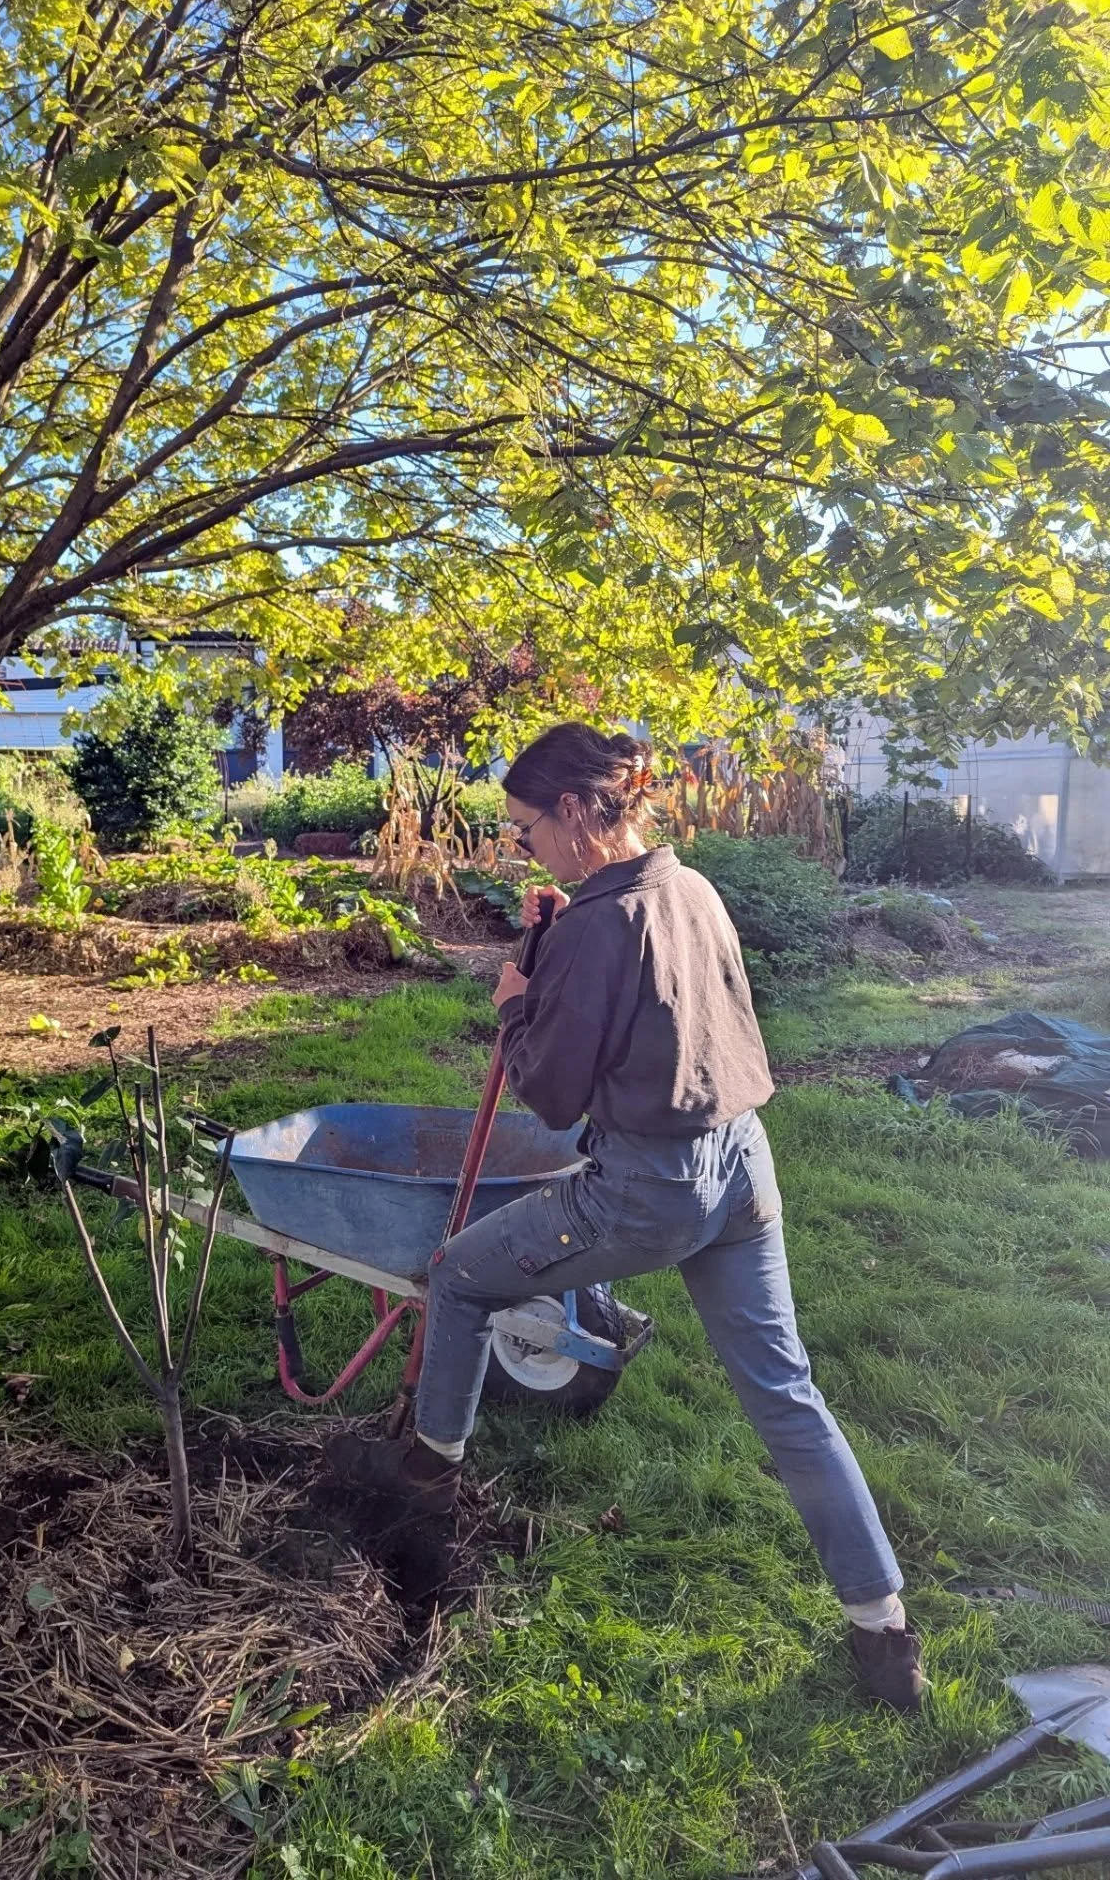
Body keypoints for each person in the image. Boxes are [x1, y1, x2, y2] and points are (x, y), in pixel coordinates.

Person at [329, 721, 925, 1710]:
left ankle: (425, 1473)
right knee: (787, 1393)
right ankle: (885, 1634)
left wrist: (518, 997)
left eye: (525, 827)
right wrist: (561, 936)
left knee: (462, 1277)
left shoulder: (602, 929)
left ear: (573, 810)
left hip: (651, 1188)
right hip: (743, 1164)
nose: (521, 845)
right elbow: (651, 980)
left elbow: (555, 1100)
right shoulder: (683, 886)